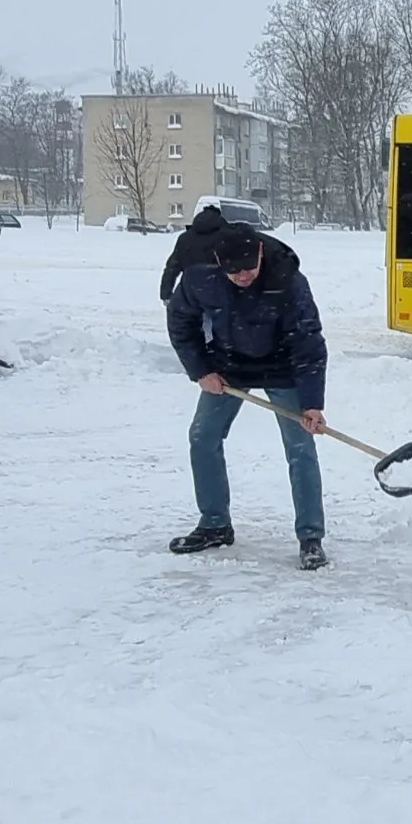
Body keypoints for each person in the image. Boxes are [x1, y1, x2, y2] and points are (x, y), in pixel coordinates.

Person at [165, 229, 331, 570]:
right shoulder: (202, 278)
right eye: (233, 270)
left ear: (260, 253)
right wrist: (201, 370)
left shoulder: (288, 280)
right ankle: (215, 524)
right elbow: (181, 321)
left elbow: (309, 342)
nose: (242, 276)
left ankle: (311, 537)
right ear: (218, 263)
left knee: (300, 447)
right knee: (203, 436)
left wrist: (312, 403)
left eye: (248, 268)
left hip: (283, 367)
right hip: (229, 366)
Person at [158, 196, 298, 300]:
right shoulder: (227, 237)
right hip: (221, 293)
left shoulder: (184, 239)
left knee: (193, 324)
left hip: (192, 292)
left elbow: (171, 267)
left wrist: (166, 293)